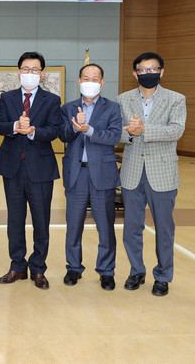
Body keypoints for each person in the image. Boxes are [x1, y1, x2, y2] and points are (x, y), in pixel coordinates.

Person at [0, 51, 62, 289]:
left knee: (41, 221)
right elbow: (0, 125)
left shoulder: (52, 100)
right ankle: (18, 266)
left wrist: (33, 131)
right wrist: (15, 126)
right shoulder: (7, 97)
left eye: (34, 69)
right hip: (12, 168)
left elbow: (54, 130)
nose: (29, 73)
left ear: (42, 74)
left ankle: (38, 268)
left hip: (40, 169)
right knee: (15, 220)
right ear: (18, 72)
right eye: (25, 69)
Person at [118, 52, 186, 296]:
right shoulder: (123, 99)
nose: (148, 73)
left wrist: (143, 129)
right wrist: (130, 133)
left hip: (163, 172)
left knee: (164, 229)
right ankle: (136, 271)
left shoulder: (176, 99)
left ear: (161, 71)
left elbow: (176, 130)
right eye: (143, 70)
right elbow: (117, 132)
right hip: (132, 173)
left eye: (153, 69)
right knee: (131, 228)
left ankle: (163, 276)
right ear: (135, 73)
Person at [59, 64, 122, 290]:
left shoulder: (112, 108)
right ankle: (73, 268)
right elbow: (62, 135)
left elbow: (114, 136)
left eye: (95, 79)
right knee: (73, 225)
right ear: (78, 82)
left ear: (102, 83)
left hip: (102, 174)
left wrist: (89, 130)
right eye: (86, 78)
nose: (90, 82)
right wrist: (75, 128)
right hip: (76, 174)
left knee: (105, 226)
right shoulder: (68, 108)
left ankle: (106, 271)